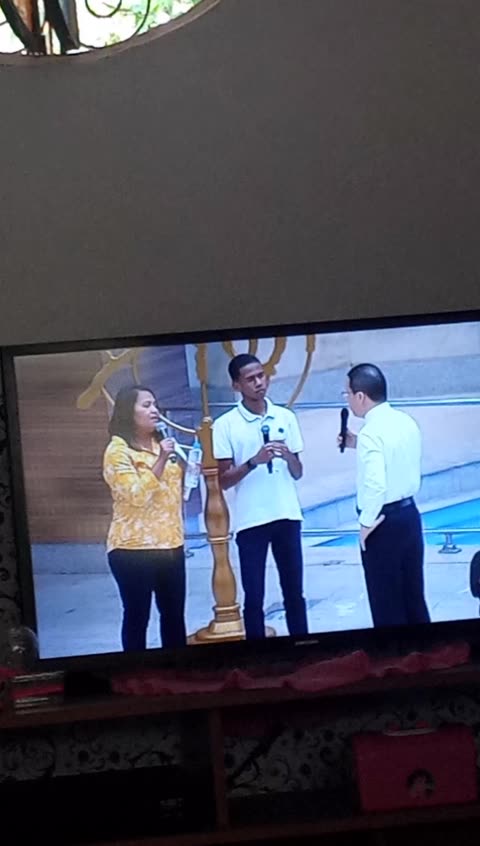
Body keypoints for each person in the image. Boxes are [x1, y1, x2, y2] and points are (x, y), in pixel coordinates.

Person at [212, 353, 308, 640]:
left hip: (287, 515)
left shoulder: (285, 417)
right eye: (250, 379)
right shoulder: (225, 425)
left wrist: (288, 456)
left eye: (261, 376)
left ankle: (304, 645)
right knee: (254, 596)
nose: (259, 383)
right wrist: (254, 461)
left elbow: (298, 472)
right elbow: (223, 481)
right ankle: (258, 652)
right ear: (236, 385)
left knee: (294, 591)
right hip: (252, 520)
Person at [340, 363, 430, 628]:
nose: (347, 399)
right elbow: (397, 457)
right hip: (409, 516)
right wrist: (356, 443)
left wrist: (365, 523)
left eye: (347, 393)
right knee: (413, 597)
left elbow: (375, 484)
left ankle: (395, 655)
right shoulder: (405, 421)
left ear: (360, 396)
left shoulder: (371, 432)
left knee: (387, 606)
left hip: (383, 523)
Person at [103, 385, 187, 651]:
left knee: (174, 617)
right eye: (146, 405)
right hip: (133, 549)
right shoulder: (117, 451)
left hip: (171, 545)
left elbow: (174, 489)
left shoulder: (162, 442)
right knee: (138, 617)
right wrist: (161, 459)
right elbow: (136, 495)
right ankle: (136, 670)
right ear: (129, 411)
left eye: (155, 404)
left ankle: (177, 669)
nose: (155, 411)